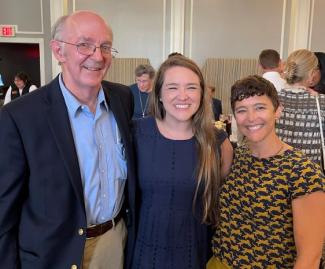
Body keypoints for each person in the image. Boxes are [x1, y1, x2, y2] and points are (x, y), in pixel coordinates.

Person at [0, 10, 136, 269]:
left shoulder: (121, 99)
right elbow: (4, 211)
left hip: (114, 244)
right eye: (84, 44)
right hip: (53, 253)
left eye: (105, 46)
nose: (98, 56)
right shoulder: (19, 117)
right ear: (58, 51)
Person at [208, 75, 325, 269]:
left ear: (278, 111)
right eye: (242, 110)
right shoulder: (240, 156)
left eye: (260, 107)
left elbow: (309, 259)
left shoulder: (303, 172)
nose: (251, 117)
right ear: (235, 117)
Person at [131, 55, 233, 268]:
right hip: (145, 251)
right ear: (158, 93)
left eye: (191, 87)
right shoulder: (136, 134)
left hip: (195, 252)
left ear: (202, 93)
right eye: (172, 87)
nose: (183, 96)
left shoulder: (217, 143)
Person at [276, 49, 325, 169]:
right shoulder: (322, 102)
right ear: (312, 73)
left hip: (276, 172)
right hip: (310, 176)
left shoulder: (271, 100)